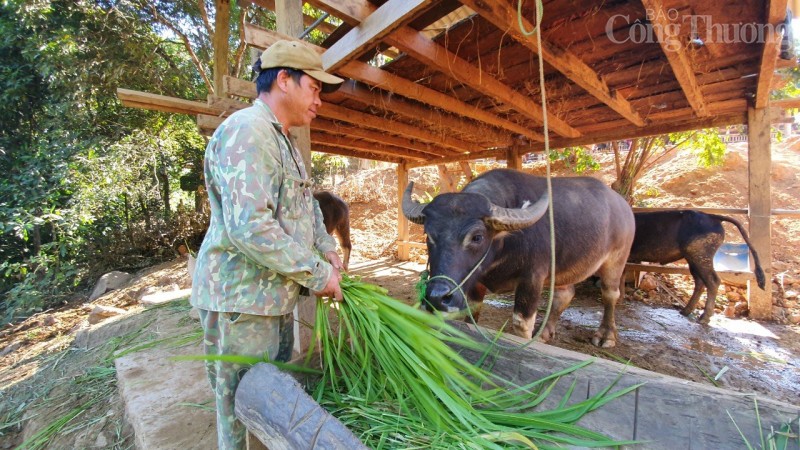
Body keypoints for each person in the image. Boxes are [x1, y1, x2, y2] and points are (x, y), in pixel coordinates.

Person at [190, 39, 345, 450]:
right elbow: (250, 227)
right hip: (242, 304)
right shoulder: (249, 131)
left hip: (273, 300)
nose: (319, 100)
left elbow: (307, 207)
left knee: (269, 401)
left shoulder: (286, 142)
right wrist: (318, 275)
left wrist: (327, 247)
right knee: (240, 408)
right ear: (283, 80)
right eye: (315, 88)